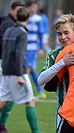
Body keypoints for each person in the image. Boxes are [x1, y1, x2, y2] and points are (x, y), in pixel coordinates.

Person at [0, 7, 40, 133]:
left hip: (5, 71)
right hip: (17, 72)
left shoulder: (8, 31)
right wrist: (20, 74)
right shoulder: (22, 32)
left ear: (16, 17)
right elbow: (19, 54)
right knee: (30, 100)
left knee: (4, 101)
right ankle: (36, 131)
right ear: (28, 19)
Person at [0, 1, 24, 133]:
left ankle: (1, 125)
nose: (20, 14)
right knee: (8, 97)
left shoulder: (12, 24)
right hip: (5, 65)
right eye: (18, 11)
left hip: (6, 64)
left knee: (9, 97)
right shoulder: (8, 24)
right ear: (11, 10)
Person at [26, 1, 47, 100]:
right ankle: (40, 91)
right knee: (32, 70)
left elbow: (41, 35)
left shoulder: (38, 19)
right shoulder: (25, 18)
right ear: (28, 7)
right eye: (33, 7)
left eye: (36, 7)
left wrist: (40, 48)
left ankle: (27, 92)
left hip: (32, 48)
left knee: (27, 70)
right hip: (25, 48)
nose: (35, 9)